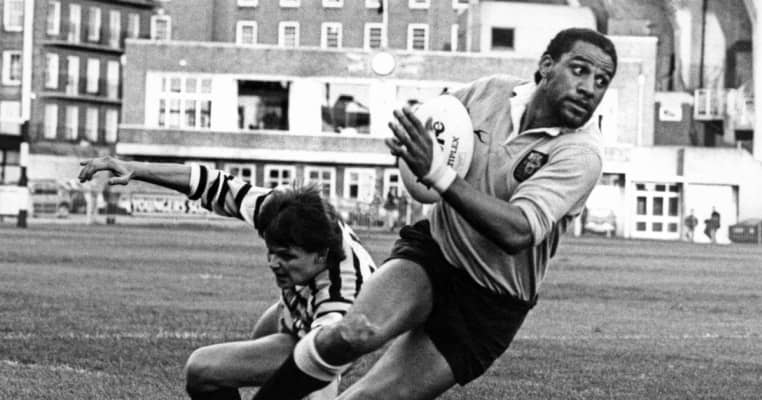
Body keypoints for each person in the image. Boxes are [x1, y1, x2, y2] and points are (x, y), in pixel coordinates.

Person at [251, 27, 617, 400]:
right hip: (436, 253)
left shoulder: (582, 153)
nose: (589, 88)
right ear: (547, 65)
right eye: (580, 70)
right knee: (353, 333)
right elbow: (433, 124)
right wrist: (410, 144)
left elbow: (517, 232)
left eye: (602, 81)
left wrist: (438, 173)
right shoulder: (491, 91)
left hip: (490, 302)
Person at [77, 157, 377, 400]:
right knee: (253, 352)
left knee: (204, 370)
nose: (273, 263)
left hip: (331, 332)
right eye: (271, 250)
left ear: (321, 255)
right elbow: (211, 183)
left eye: (286, 256)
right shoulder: (282, 212)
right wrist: (134, 169)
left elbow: (323, 360)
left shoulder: (344, 292)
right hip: (301, 306)